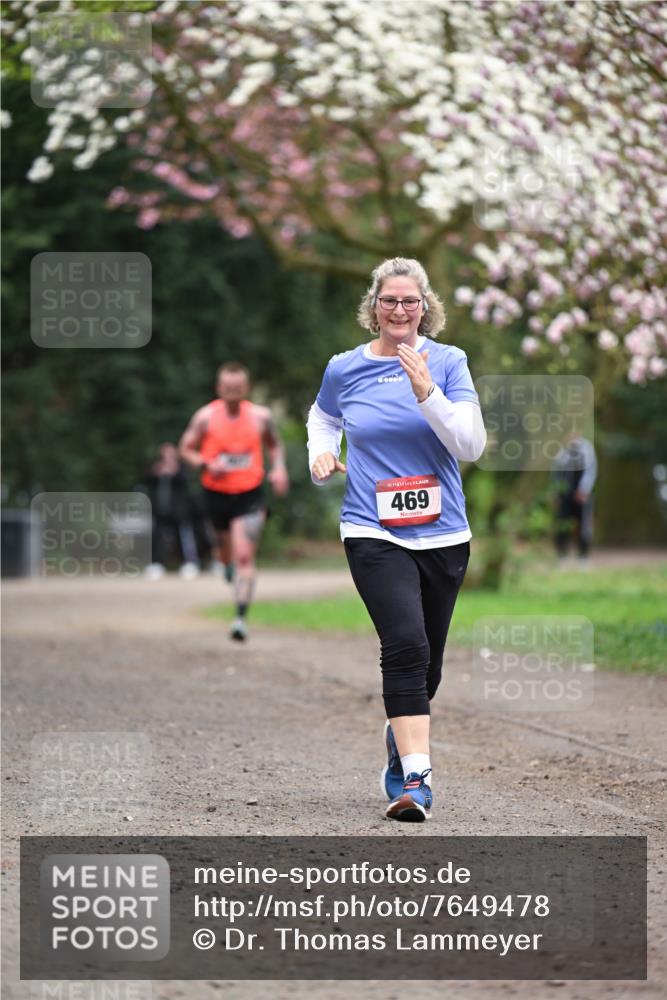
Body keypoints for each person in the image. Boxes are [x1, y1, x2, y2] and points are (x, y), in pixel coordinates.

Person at [307, 258, 486, 822]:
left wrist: (428, 391)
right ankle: (416, 782)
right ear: (374, 307)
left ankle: (400, 732)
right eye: (390, 301)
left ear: (425, 307)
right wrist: (320, 450)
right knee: (404, 645)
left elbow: (471, 446)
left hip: (443, 533)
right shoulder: (345, 368)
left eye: (411, 302)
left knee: (427, 666)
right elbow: (322, 415)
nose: (400, 310)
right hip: (371, 528)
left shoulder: (450, 362)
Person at [179, 362, 289, 640]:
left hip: (249, 494)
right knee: (225, 551)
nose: (233, 394)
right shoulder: (205, 417)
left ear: (246, 388)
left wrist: (278, 469)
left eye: (238, 389)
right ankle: (225, 564)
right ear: (219, 389)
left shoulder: (260, 417)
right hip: (215, 494)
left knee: (244, 556)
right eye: (228, 389)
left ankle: (240, 618)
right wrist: (204, 463)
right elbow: (186, 448)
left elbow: (275, 445)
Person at [142, 442, 200, 580]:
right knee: (157, 538)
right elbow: (146, 480)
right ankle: (157, 564)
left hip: (179, 512)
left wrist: (174, 472)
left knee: (184, 538)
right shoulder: (157, 468)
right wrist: (156, 473)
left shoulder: (182, 468)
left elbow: (186, 482)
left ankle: (190, 563)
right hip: (160, 511)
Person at [552, 433, 597, 560]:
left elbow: (590, 471)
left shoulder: (586, 449)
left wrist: (583, 489)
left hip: (582, 494)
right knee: (562, 522)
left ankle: (583, 555)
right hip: (564, 493)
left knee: (584, 525)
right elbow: (555, 472)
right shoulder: (561, 449)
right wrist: (556, 492)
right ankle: (561, 554)